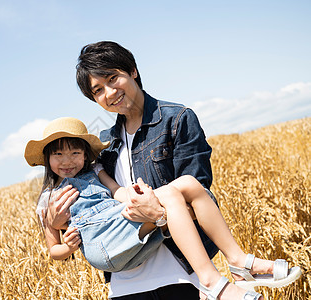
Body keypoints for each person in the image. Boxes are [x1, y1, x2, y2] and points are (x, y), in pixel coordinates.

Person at [45, 41, 300, 299]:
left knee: (189, 184)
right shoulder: (104, 144)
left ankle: (237, 264)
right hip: (126, 281)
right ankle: (240, 264)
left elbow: (200, 199)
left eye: (113, 78)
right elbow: (89, 219)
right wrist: (56, 224)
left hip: (180, 274)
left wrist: (159, 216)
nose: (109, 93)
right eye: (98, 90)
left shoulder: (177, 120)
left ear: (132, 70)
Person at [25, 117, 301, 300]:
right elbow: (54, 250)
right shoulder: (48, 199)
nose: (67, 160)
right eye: (57, 154)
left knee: (190, 185)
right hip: (103, 245)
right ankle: (213, 282)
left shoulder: (97, 173)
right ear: (47, 159)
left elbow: (119, 193)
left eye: (74, 152)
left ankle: (239, 263)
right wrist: (68, 247)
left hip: (122, 229)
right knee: (170, 194)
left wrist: (142, 197)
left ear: (86, 155)